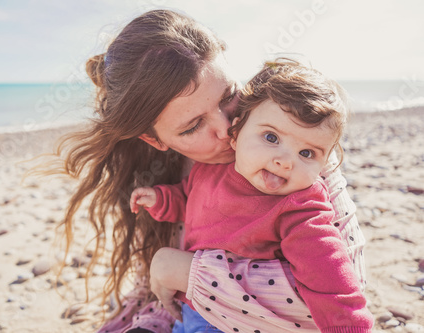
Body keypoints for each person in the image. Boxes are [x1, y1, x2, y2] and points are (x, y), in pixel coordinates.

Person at [52, 9, 367, 333]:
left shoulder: (299, 158)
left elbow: (340, 292)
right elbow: (159, 290)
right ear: (154, 139)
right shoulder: (174, 170)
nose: (227, 126)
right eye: (193, 126)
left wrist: (191, 273)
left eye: (229, 95)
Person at [130, 59, 374, 332]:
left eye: (307, 153)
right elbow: (188, 200)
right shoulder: (208, 170)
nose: (285, 161)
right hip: (193, 305)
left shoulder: (301, 205)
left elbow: (329, 277)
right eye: (271, 138)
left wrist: (350, 326)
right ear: (235, 134)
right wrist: (161, 200)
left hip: (237, 320)